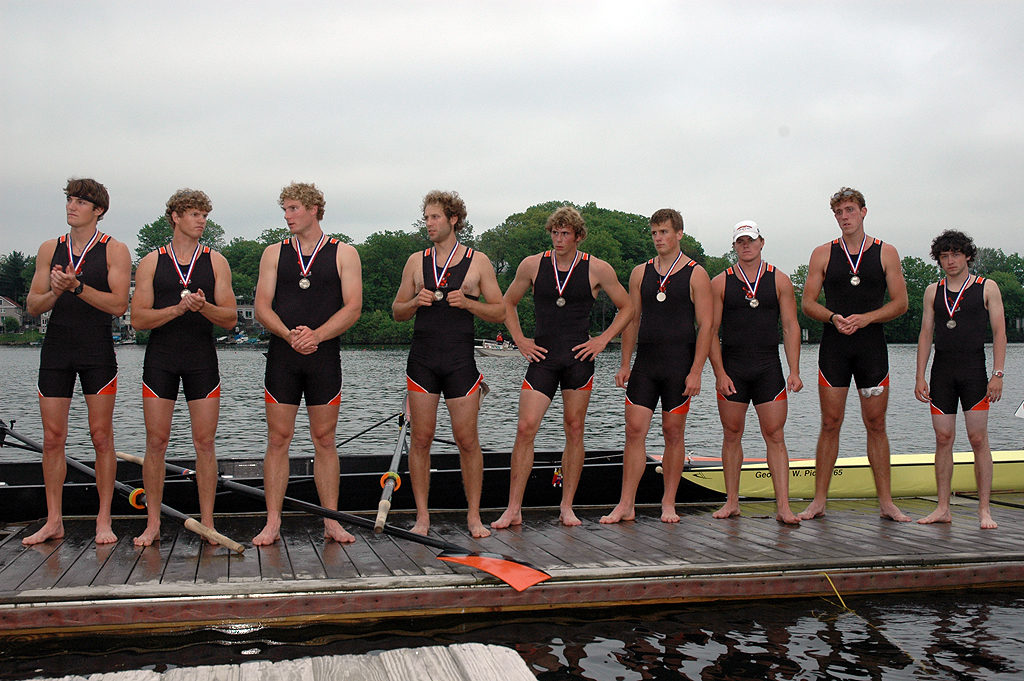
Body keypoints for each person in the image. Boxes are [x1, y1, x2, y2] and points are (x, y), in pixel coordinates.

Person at [492, 205, 634, 528]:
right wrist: (520, 340)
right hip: (542, 358)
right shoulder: (532, 265)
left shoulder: (597, 269)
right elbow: (507, 303)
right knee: (526, 427)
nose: (558, 239)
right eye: (554, 233)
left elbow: (628, 308)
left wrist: (602, 340)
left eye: (565, 234)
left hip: (578, 360)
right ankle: (514, 508)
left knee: (574, 429)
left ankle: (566, 506)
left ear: (578, 237)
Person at [252, 182, 362, 546]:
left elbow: (353, 308)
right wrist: (289, 335)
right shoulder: (273, 253)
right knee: (278, 439)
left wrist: (316, 335)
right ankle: (272, 522)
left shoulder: (345, 253)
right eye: (284, 209)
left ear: (315, 209)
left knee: (324, 440)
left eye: (294, 208)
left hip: (324, 357)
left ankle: (331, 521)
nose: (287, 216)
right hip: (283, 356)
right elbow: (261, 307)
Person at [23, 178, 131, 546]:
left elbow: (119, 305)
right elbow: (33, 305)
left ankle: (104, 519)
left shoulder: (114, 250)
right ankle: (54, 520)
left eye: (80, 201)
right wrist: (55, 289)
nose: (71, 206)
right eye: (69, 199)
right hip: (56, 349)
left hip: (96, 350)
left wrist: (78, 287)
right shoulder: (49, 248)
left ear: (98, 210)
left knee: (101, 436)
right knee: (53, 438)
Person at [392, 190, 505, 538]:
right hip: (422, 362)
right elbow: (397, 312)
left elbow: (500, 311)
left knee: (467, 440)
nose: (428, 223)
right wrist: (415, 300)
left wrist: (470, 303)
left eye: (435, 217)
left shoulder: (478, 261)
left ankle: (474, 517)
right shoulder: (416, 261)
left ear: (453, 219)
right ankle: (423, 518)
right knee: (421, 439)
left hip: (459, 363)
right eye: (425, 217)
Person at [130, 189, 237, 546]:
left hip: (201, 361)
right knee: (156, 442)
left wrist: (203, 307)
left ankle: (208, 522)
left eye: (204, 214)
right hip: (161, 360)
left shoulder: (216, 261)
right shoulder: (151, 262)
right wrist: (177, 309)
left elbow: (231, 319)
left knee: (204, 443)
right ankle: (153, 523)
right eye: (194, 214)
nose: (202, 220)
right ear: (175, 217)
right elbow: (138, 319)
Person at [798, 187, 910, 522]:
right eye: (838, 213)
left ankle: (887, 503)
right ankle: (819, 501)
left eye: (849, 210)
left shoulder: (886, 252)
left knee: (876, 423)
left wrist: (868, 318)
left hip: (871, 347)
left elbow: (901, 303)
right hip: (835, 347)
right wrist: (833, 317)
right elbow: (807, 302)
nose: (844, 217)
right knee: (830, 423)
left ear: (863, 211)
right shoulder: (822, 253)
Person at [600, 209, 711, 524]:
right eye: (654, 233)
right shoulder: (640, 272)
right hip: (646, 364)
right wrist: (624, 363)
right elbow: (632, 320)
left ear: (679, 234)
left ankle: (668, 503)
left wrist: (696, 371)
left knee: (673, 432)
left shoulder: (695, 273)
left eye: (664, 232)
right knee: (634, 431)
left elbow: (706, 326)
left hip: (679, 365)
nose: (658, 238)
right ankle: (626, 504)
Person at [708, 221, 802, 525]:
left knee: (775, 435)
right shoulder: (720, 282)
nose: (745, 245)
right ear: (734, 246)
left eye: (750, 240)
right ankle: (732, 502)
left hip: (768, 369)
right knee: (731, 434)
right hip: (733, 368)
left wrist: (795, 370)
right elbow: (709, 330)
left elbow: (790, 327)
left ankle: (784, 507)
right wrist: (719, 372)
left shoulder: (780, 281)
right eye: (740, 242)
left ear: (762, 242)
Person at [914, 230, 1005, 529]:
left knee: (978, 439)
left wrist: (997, 375)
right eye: (944, 256)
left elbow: (999, 334)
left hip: (974, 372)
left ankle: (984, 510)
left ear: (967, 255)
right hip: (942, 373)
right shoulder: (932, 291)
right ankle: (943, 507)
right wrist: (919, 376)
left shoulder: (987, 287)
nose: (950, 261)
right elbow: (926, 334)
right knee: (943, 439)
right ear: (938, 260)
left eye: (955, 254)